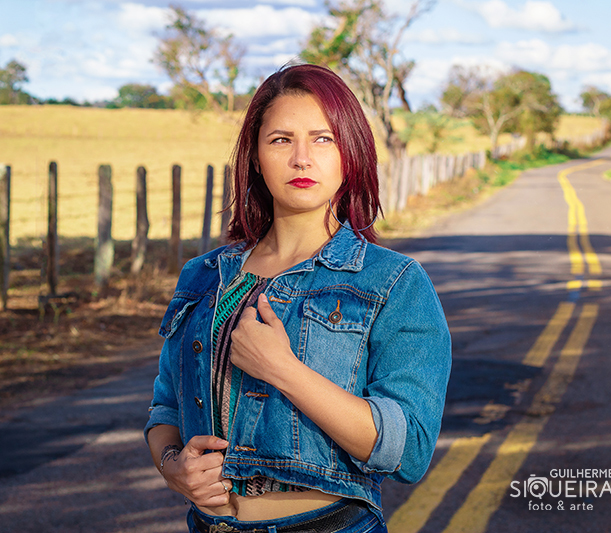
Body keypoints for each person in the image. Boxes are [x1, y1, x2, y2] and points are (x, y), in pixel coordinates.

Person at [145, 63, 451, 533]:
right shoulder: (203, 276)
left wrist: (283, 370)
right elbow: (166, 408)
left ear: (350, 153)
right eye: (281, 140)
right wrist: (173, 467)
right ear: (255, 157)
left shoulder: (393, 282)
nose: (302, 159)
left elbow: (408, 451)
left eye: (323, 139)